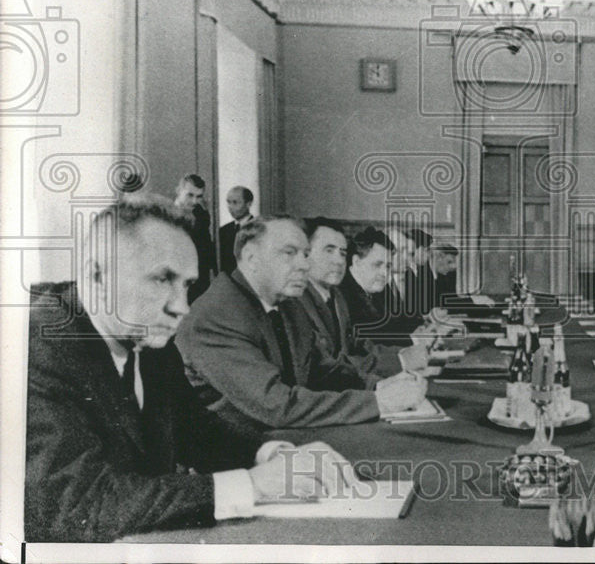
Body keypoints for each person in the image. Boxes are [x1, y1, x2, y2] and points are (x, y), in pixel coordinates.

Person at [25, 196, 356, 542]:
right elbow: (78, 506)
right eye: (161, 279)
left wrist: (276, 455)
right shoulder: (38, 346)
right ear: (96, 275)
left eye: (185, 284)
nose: (182, 307)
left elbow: (194, 429)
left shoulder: (145, 335)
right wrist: (253, 484)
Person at [175, 216, 426, 434]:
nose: (305, 265)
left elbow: (321, 368)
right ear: (251, 258)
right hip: (244, 456)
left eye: (305, 254)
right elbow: (275, 404)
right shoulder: (216, 315)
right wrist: (378, 402)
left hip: (291, 437)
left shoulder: (287, 304)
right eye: (289, 253)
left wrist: (377, 385)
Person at [297, 217, 408, 379]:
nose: (339, 260)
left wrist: (406, 356)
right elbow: (327, 368)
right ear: (306, 254)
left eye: (342, 253)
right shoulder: (296, 303)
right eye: (329, 250)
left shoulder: (337, 297)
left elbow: (362, 346)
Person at [174, 173, 217, 303]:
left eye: (199, 197)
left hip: (199, 281)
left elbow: (206, 246)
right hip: (176, 280)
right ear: (179, 191)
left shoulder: (202, 215)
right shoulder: (166, 214)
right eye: (190, 195)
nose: (194, 201)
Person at [218, 186, 254, 274]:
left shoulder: (257, 227)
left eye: (235, 202)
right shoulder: (223, 230)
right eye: (228, 202)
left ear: (248, 204)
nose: (230, 207)